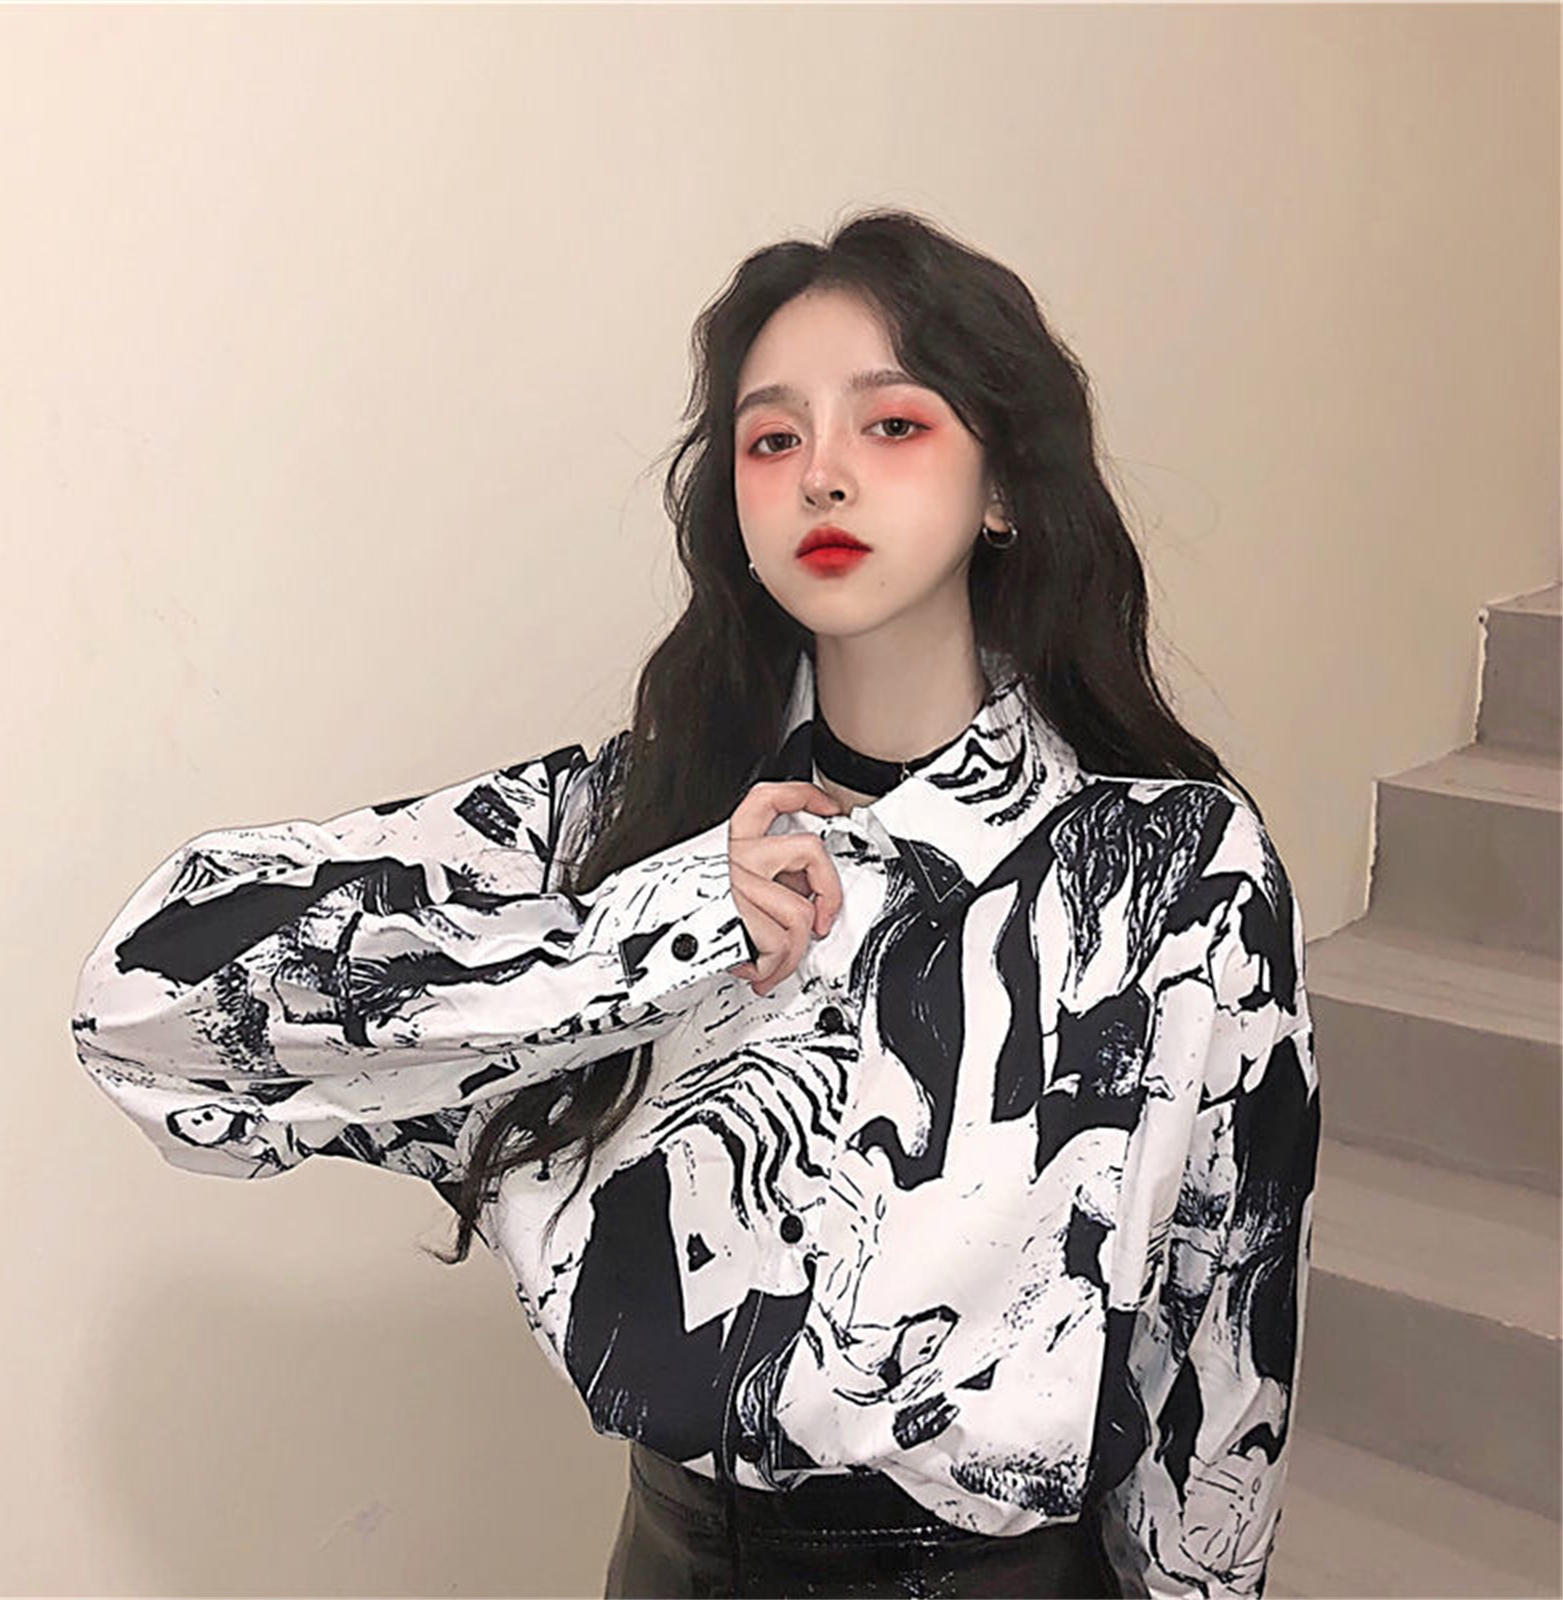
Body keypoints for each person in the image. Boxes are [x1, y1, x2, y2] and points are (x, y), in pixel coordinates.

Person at [70, 207, 1321, 1599]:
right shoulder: (629, 823)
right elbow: (142, 1007)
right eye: (772, 440)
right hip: (666, 1562)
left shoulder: (1171, 869)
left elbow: (1222, 1344)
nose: (822, 475)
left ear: (1004, 489)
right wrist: (643, 936)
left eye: (892, 425)